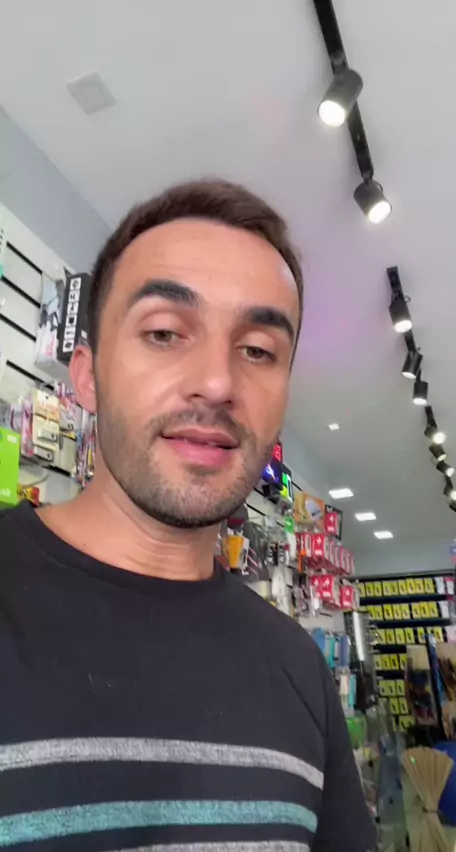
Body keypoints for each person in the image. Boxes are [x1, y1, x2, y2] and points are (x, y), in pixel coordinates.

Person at [0, 179, 375, 852]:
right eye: (165, 333)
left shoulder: (299, 671)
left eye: (258, 350)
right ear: (86, 375)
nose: (219, 382)